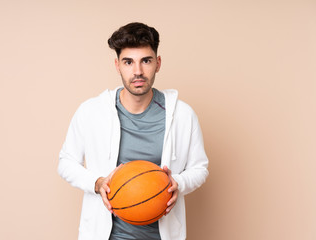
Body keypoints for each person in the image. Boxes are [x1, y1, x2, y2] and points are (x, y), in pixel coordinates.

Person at [58, 22, 209, 240]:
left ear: (157, 63)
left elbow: (200, 167)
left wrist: (179, 183)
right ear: (117, 65)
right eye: (128, 62)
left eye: (145, 61)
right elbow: (65, 162)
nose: (137, 71)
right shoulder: (91, 111)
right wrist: (97, 183)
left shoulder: (183, 115)